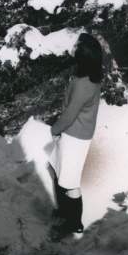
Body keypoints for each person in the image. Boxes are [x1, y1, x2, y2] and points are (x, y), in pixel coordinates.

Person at [47, 33, 103, 237]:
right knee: (57, 169)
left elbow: (70, 114)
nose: (73, 48)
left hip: (74, 136)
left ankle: (74, 223)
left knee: (70, 182)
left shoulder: (83, 84)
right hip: (77, 134)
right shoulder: (90, 76)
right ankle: (64, 213)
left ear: (84, 56)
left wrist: (54, 130)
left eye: (77, 46)